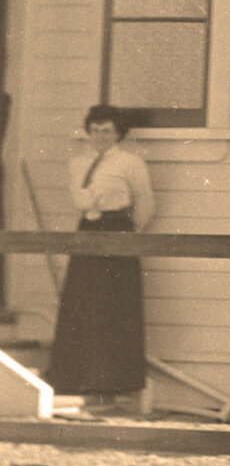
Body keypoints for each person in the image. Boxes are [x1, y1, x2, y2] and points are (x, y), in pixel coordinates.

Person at [42, 104, 154, 409]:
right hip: (86, 230)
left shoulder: (131, 163)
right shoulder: (78, 163)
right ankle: (75, 382)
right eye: (94, 130)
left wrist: (127, 235)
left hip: (117, 233)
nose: (100, 136)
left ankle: (113, 387)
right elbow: (78, 198)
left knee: (114, 308)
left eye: (106, 130)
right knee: (81, 304)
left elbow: (144, 205)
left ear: (118, 133)